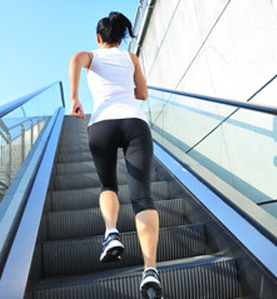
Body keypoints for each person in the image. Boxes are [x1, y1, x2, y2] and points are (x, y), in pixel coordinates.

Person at [68, 11, 162, 299]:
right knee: (142, 197)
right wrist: (128, 87)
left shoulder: (91, 56)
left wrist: (74, 98)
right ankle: (150, 270)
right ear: (121, 38)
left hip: (103, 124)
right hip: (135, 123)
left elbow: (75, 59)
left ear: (99, 38)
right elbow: (143, 94)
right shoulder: (131, 59)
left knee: (108, 185)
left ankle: (111, 233)